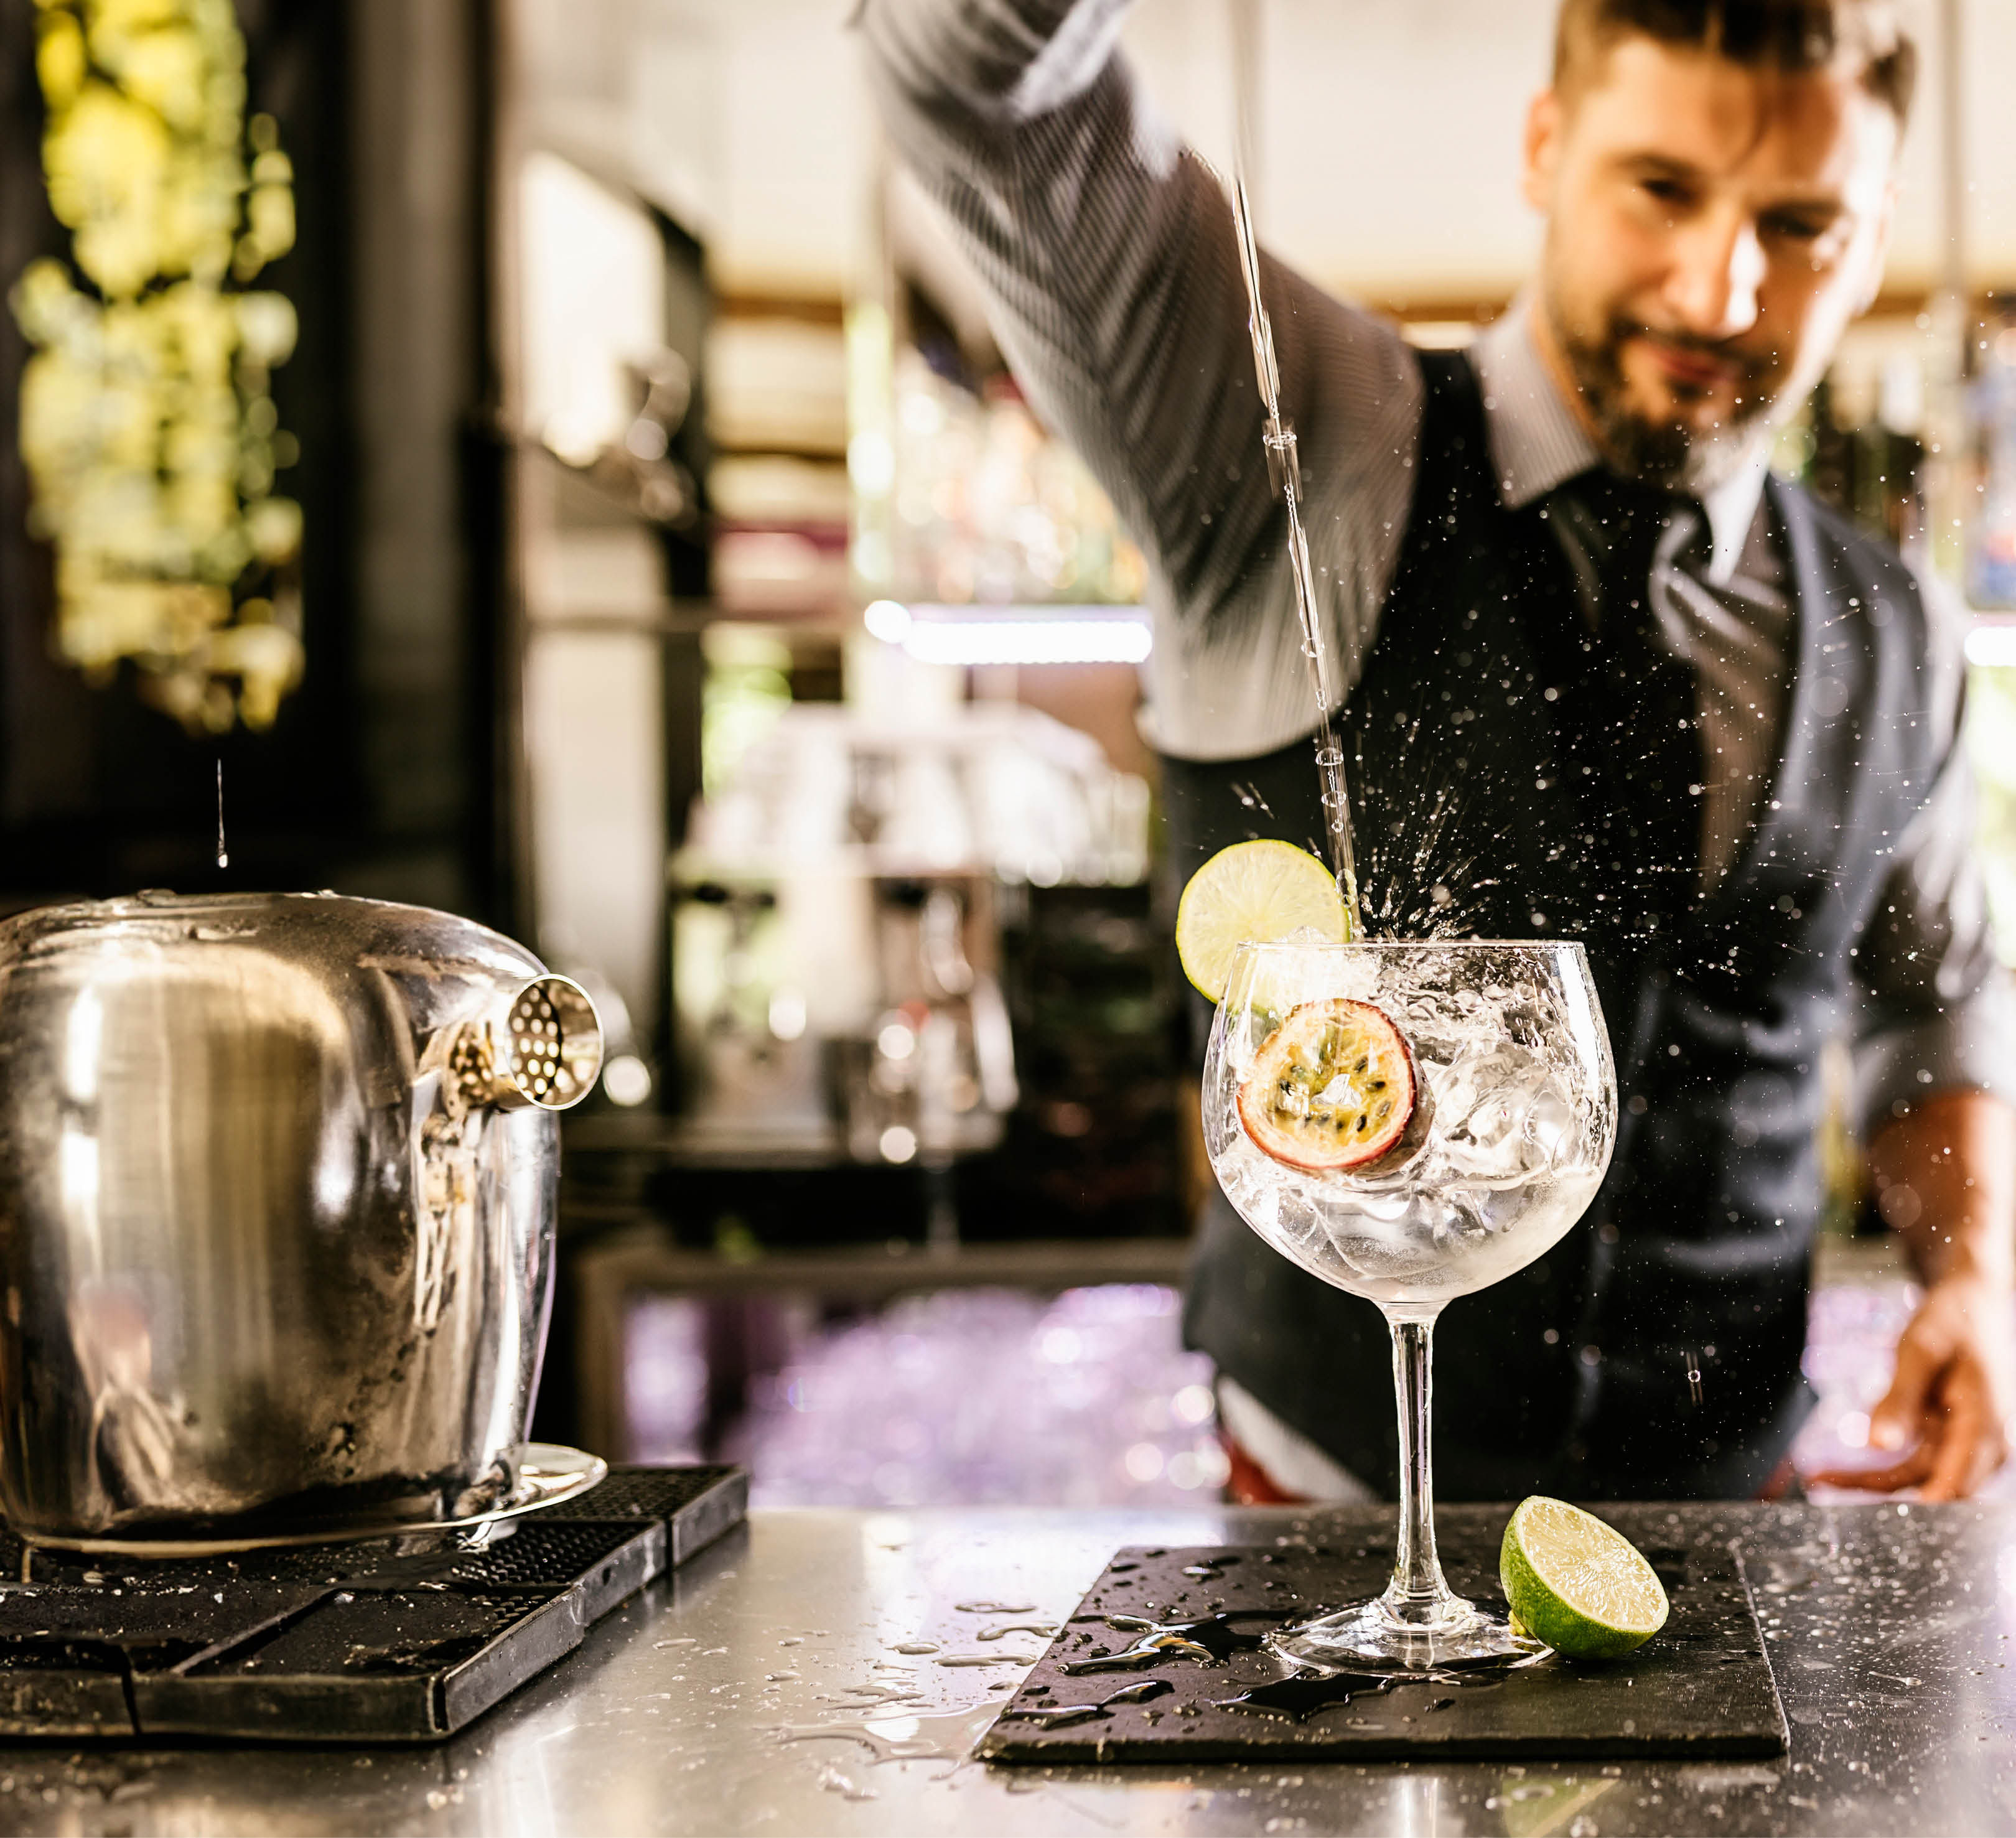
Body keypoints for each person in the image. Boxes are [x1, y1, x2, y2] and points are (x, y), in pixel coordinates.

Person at [861, 0, 2016, 1500]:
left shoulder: (1898, 630)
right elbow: (974, 70)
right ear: (1545, 149)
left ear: (1870, 245)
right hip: (1331, 1535)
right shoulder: (1294, 440)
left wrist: (1977, 1270)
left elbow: (1934, 1014)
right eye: (1661, 189)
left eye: (1803, 224)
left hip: (1741, 1529)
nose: (1722, 285)